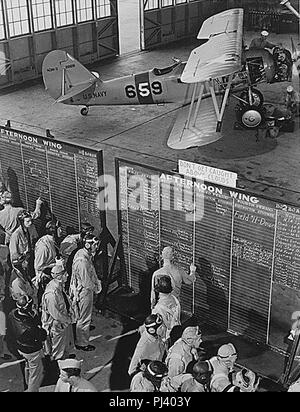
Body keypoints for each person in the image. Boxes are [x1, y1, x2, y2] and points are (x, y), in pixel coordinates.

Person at [69, 234, 102, 351]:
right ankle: (82, 343)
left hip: (82, 289)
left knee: (83, 315)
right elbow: (86, 282)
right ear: (88, 245)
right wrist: (97, 288)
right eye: (95, 245)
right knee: (83, 317)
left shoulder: (82, 253)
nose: (97, 247)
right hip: (84, 292)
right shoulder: (83, 262)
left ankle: (82, 332)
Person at [8, 295, 47, 392]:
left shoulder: (12, 314)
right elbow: (42, 335)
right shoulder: (29, 328)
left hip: (20, 348)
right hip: (32, 351)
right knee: (35, 374)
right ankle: (32, 389)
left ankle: (27, 383)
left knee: (28, 366)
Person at [41, 262, 74, 361]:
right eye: (65, 274)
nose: (67, 275)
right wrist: (67, 319)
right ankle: (58, 365)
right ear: (59, 276)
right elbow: (55, 314)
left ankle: (65, 357)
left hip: (63, 322)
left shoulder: (59, 285)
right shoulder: (51, 294)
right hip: (57, 324)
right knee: (57, 349)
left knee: (64, 343)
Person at [9, 210, 39, 279]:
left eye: (31, 221)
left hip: (31, 259)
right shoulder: (16, 235)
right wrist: (22, 261)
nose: (30, 223)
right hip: (21, 265)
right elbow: (14, 254)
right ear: (22, 222)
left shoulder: (31, 229)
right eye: (28, 221)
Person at [151, 275, 181, 343]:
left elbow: (155, 329)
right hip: (177, 333)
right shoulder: (175, 299)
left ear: (159, 291)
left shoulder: (157, 308)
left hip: (165, 339)